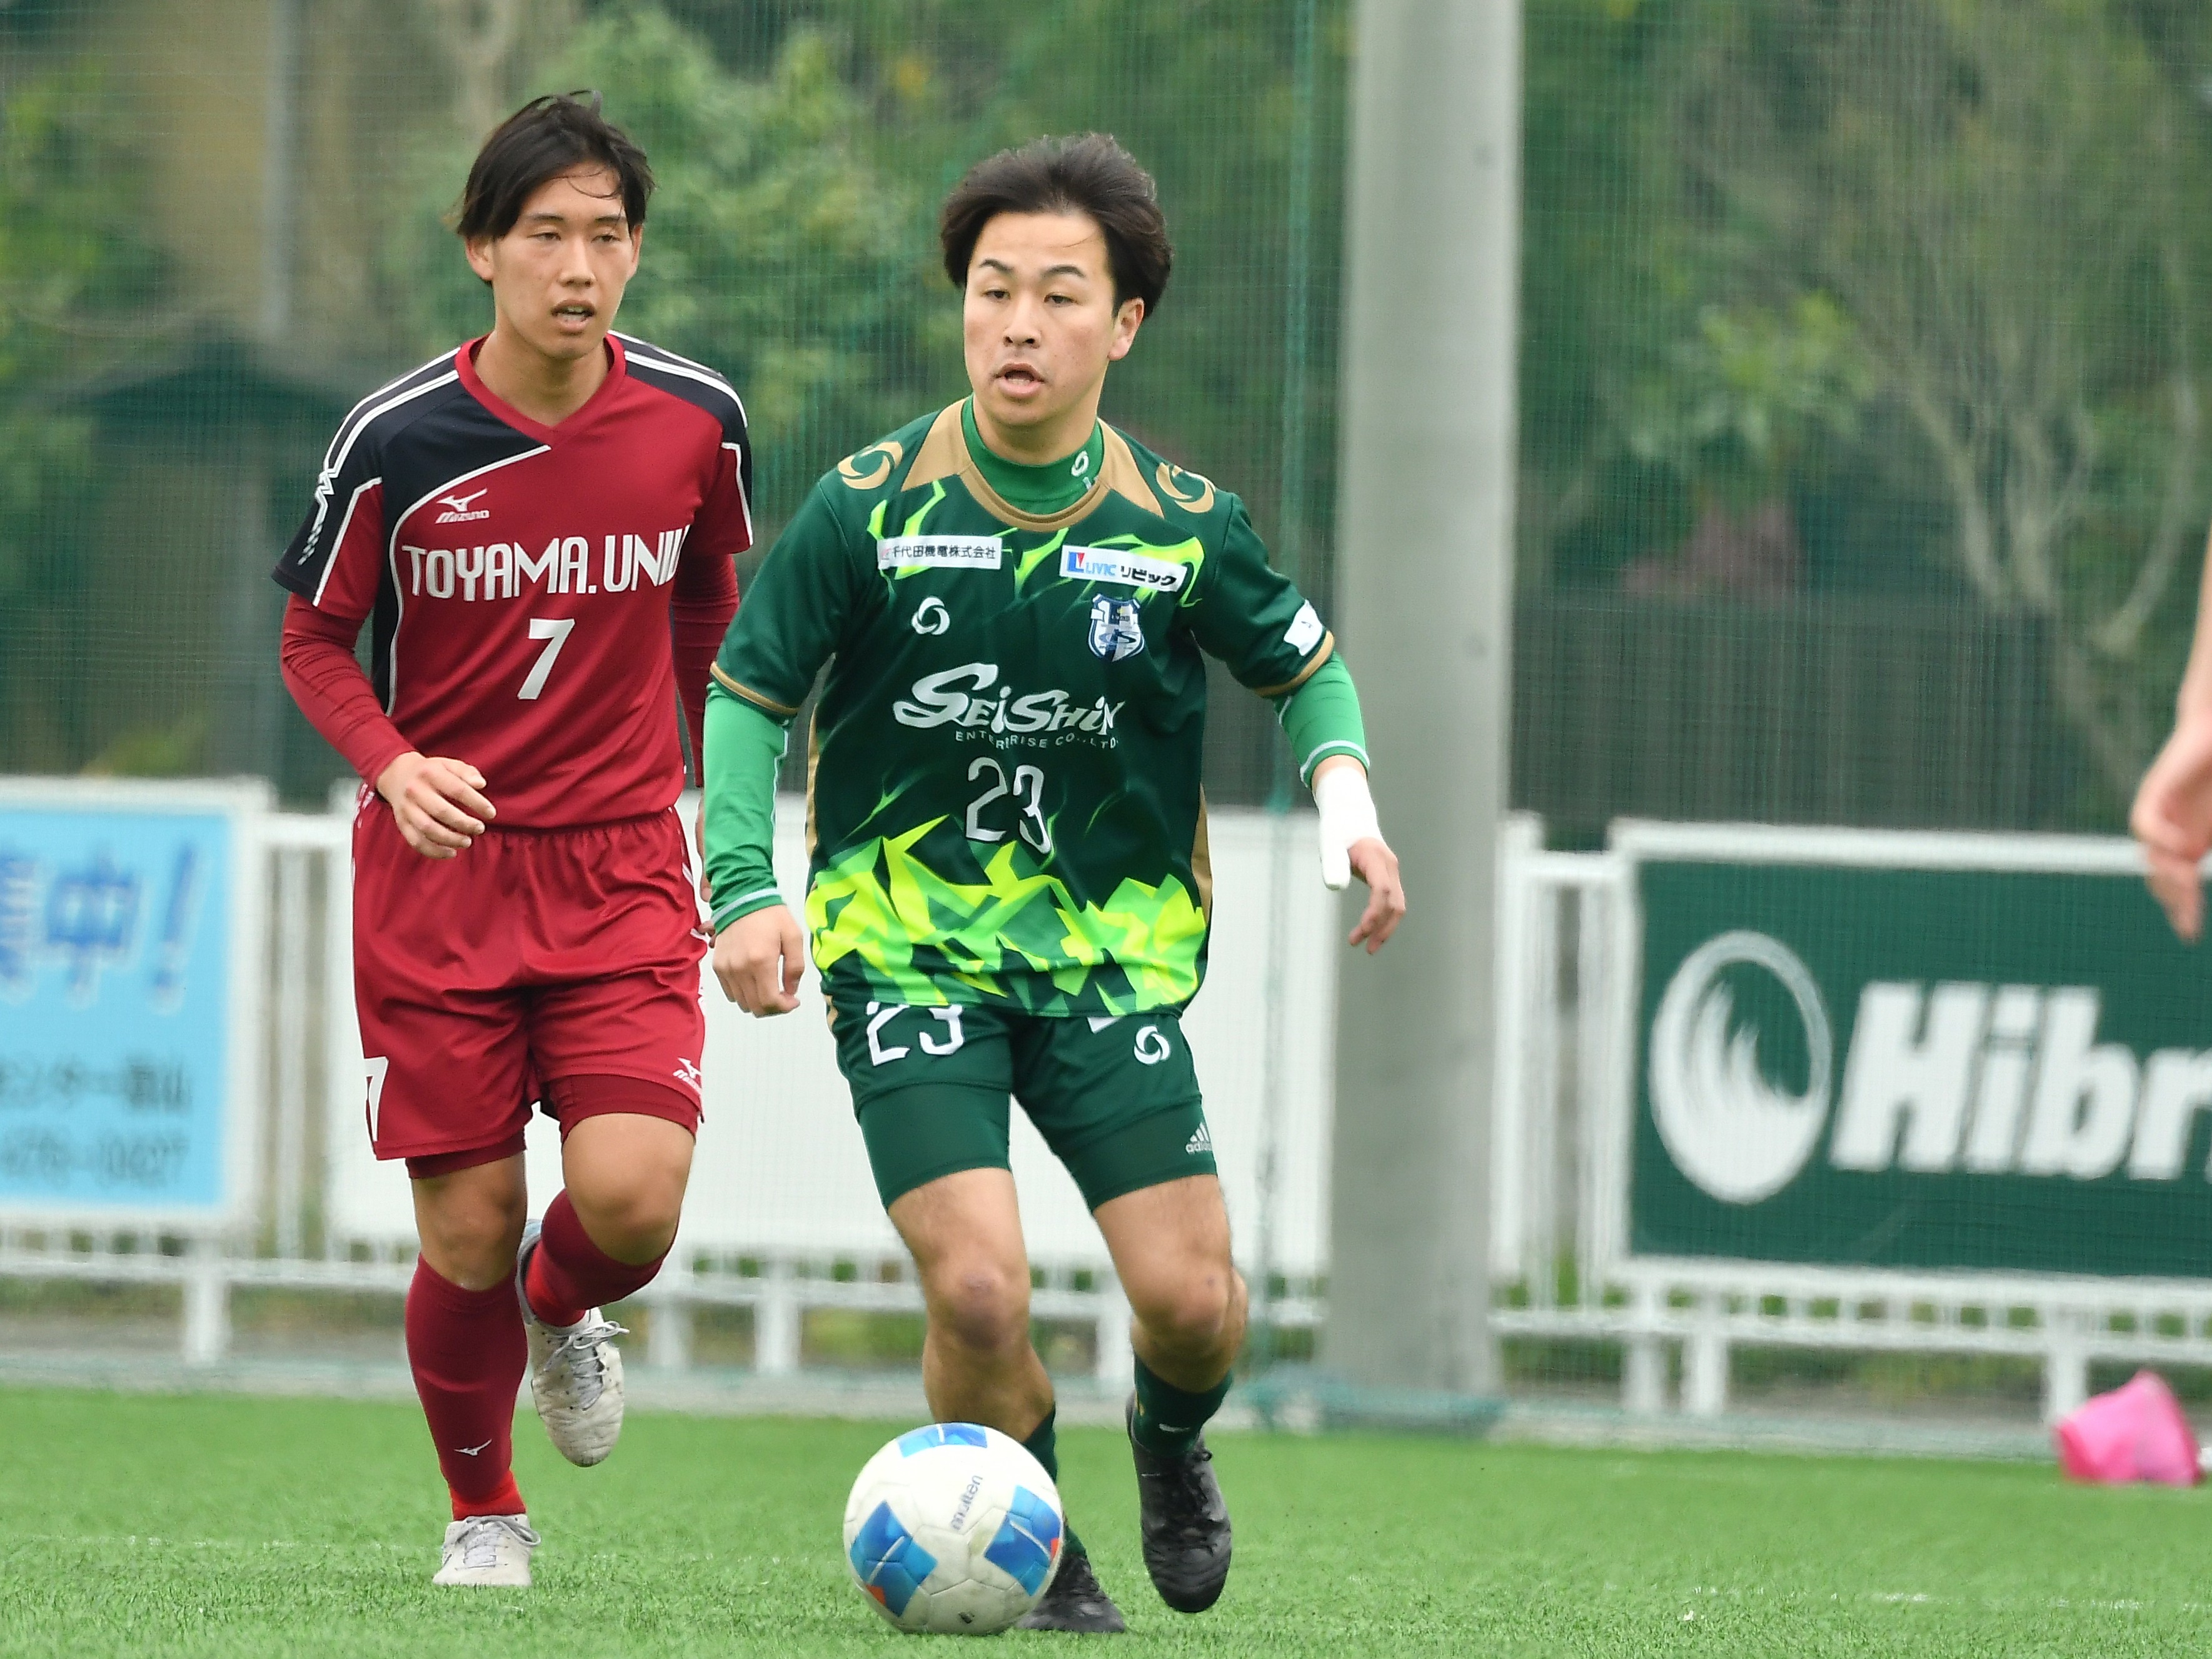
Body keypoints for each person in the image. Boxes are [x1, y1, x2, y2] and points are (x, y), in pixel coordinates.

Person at [702, 133, 1404, 1631]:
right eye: (991, 289)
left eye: (1058, 295)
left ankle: (1165, 1437)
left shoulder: (1179, 522)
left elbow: (1307, 671)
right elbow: (747, 692)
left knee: (1195, 1306)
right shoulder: (866, 506)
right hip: (906, 952)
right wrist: (742, 885)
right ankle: (1039, 1538)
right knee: (976, 1291)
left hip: (1104, 964)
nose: (1016, 324)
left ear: (1123, 323)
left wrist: (1346, 808)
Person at [273, 93, 751, 1588]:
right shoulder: (396, 436)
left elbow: (712, 604)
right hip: (441, 881)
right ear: (481, 247)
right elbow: (311, 641)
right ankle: (483, 1511)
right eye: (545, 234)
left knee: (631, 1201)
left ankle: (563, 1305)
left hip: (619, 865)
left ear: (635, 252)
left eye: (606, 235)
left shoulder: (698, 420)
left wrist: (724, 796)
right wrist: (393, 762)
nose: (577, 266)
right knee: (467, 1230)